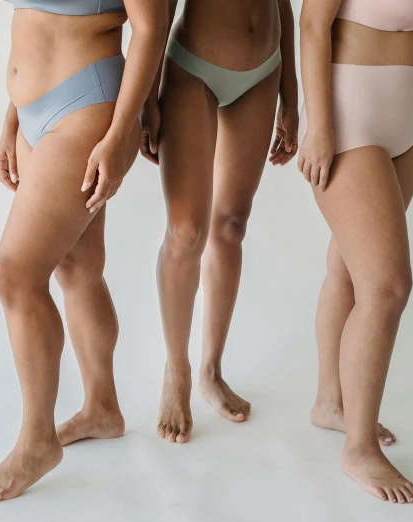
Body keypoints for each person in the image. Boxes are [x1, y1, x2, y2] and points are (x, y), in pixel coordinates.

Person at [0, 0, 167, 502]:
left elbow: (150, 26)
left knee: (13, 274)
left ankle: (37, 441)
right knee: (77, 268)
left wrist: (122, 133)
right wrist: (14, 114)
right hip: (38, 114)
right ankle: (102, 408)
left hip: (86, 105)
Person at [298, 0, 413, 503]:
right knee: (386, 288)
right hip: (349, 112)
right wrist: (318, 125)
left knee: (349, 270)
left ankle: (331, 403)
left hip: (406, 120)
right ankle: (359, 449)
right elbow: (313, 22)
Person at [139, 0, 299, 443]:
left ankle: (211, 370)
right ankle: (177, 368)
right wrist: (148, 93)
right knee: (186, 231)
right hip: (194, 67)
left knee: (231, 225)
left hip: (264, 69)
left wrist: (292, 93)